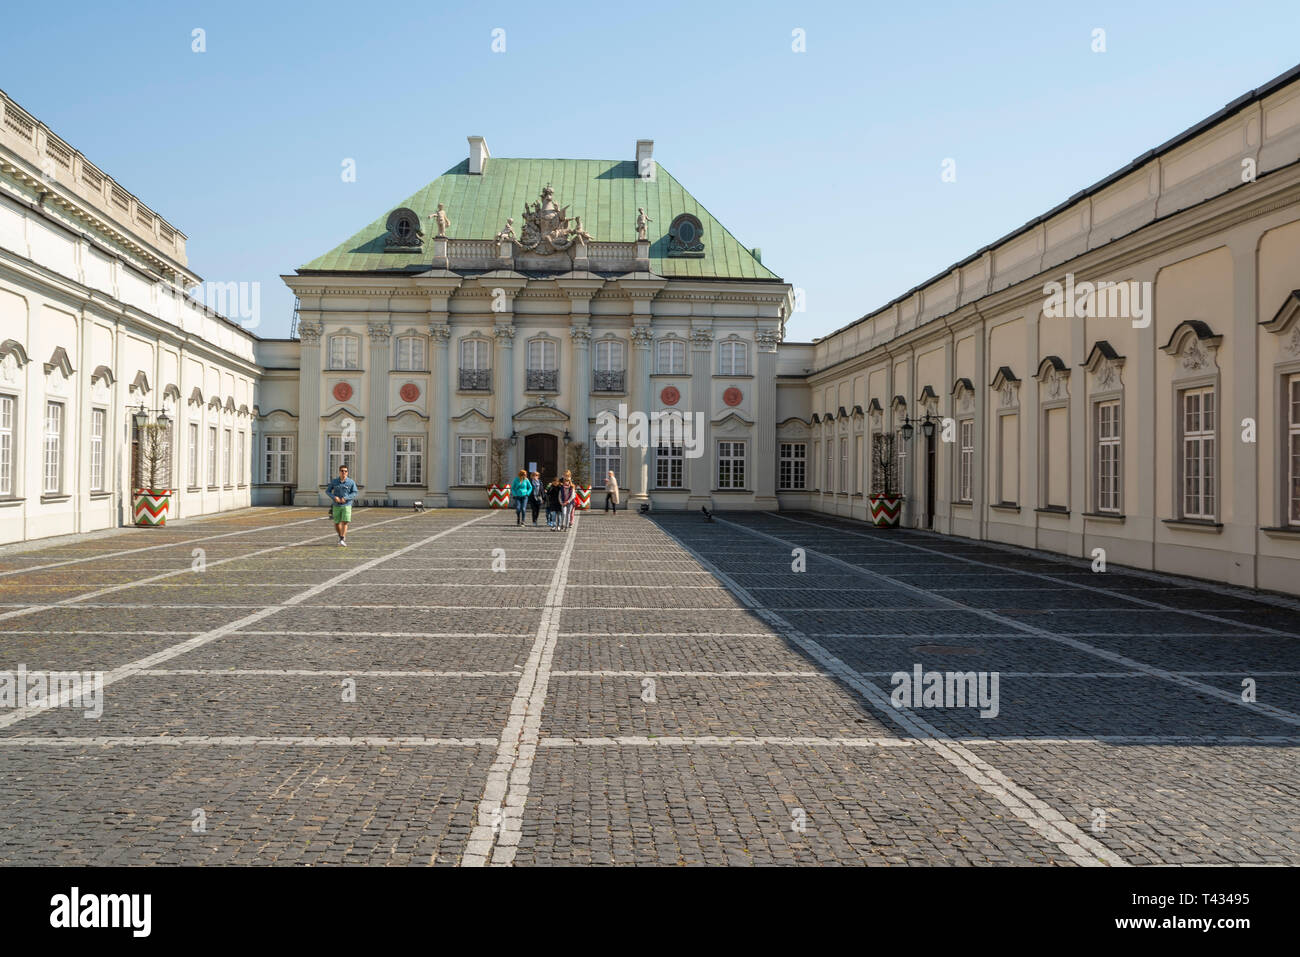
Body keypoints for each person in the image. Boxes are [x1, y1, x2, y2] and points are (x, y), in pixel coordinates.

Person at [326, 464, 358, 546]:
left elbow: (354, 492)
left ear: (347, 473)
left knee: (345, 522)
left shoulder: (351, 482)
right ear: (339, 472)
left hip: (347, 505)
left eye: (345, 471)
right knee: (337, 523)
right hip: (336, 505)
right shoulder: (334, 481)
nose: (344, 472)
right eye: (342, 471)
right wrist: (334, 497)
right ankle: (340, 535)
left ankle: (342, 538)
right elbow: (328, 491)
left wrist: (346, 498)